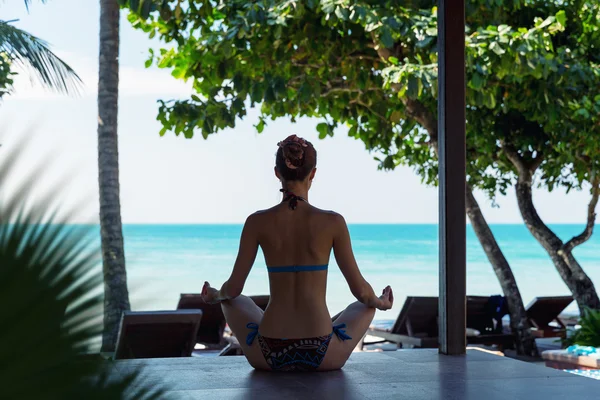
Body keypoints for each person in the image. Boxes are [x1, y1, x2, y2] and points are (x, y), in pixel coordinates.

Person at [201, 134, 393, 372]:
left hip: (269, 354)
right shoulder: (333, 222)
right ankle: (325, 325)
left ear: (276, 173)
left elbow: (234, 289)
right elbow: (362, 292)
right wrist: (381, 303)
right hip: (322, 354)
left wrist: (215, 295)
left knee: (233, 301)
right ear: (313, 174)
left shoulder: (256, 222)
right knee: (365, 305)